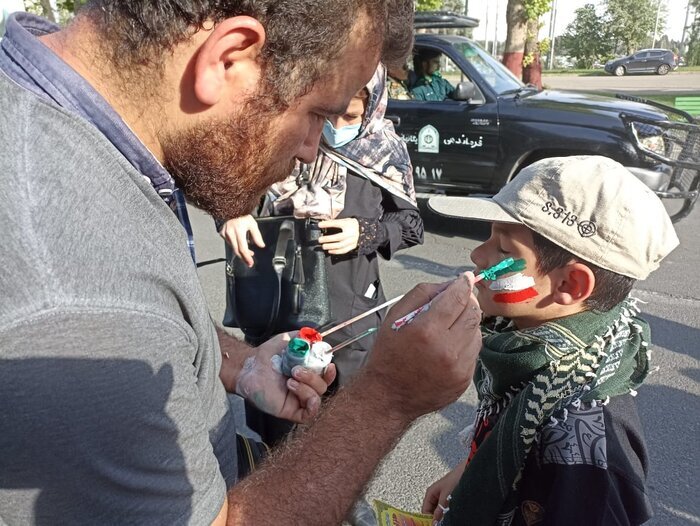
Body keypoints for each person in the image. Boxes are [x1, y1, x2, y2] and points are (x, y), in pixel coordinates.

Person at [0, 3, 484, 525]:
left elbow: (146, 306)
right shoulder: (81, 304)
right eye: (317, 113)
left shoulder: (65, 131)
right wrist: (386, 399)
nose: (310, 150)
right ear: (228, 59)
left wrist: (238, 362)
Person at [422, 156, 679, 525]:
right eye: (489, 237)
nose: (478, 254)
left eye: (504, 251)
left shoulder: (588, 452)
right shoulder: (531, 356)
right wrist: (470, 469)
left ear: (570, 285)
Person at [221, 63, 423, 446]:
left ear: (373, 105)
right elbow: (230, 187)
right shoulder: (283, 134)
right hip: (276, 304)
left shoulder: (383, 149)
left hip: (347, 313)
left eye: (350, 115)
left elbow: (411, 225)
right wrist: (231, 213)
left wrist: (365, 232)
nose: (335, 125)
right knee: (275, 429)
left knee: (338, 435)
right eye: (327, 112)